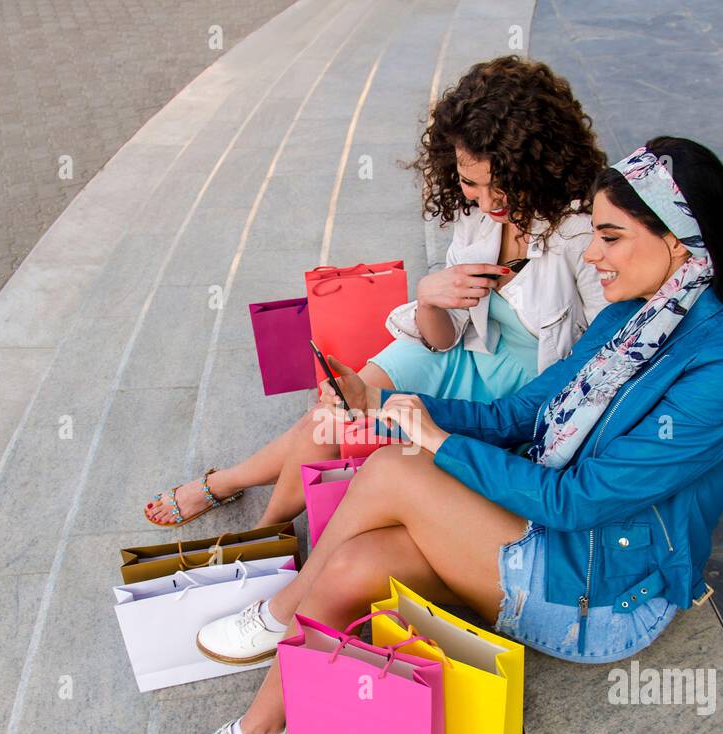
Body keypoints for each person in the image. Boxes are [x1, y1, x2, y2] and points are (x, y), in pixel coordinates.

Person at [164, 136, 723, 734]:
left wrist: (436, 440)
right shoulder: (633, 316)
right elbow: (523, 414)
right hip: (538, 523)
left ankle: (283, 609)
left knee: (396, 469)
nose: (592, 254)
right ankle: (261, 730)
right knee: (350, 566)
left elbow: (576, 500)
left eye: (610, 237)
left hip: (597, 592)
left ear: (679, 242)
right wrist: (389, 401)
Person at [144, 55, 608, 528]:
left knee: (347, 413)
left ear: (537, 167)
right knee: (334, 411)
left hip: (524, 390)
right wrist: (429, 296)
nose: (488, 203)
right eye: (471, 183)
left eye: (504, 187)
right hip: (458, 352)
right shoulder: (476, 216)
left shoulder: (581, 232)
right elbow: (443, 339)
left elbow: (603, 350)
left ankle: (247, 517)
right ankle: (254, 520)